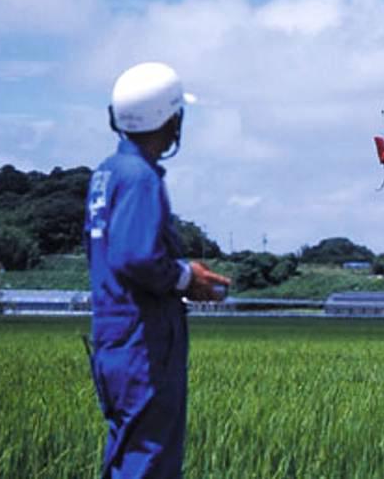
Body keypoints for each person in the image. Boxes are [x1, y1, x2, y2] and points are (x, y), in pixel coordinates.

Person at [84, 62, 230, 478]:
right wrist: (187, 278)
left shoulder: (106, 174)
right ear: (170, 120)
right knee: (150, 462)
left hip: (114, 339)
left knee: (125, 457)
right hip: (143, 345)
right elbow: (134, 256)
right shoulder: (140, 178)